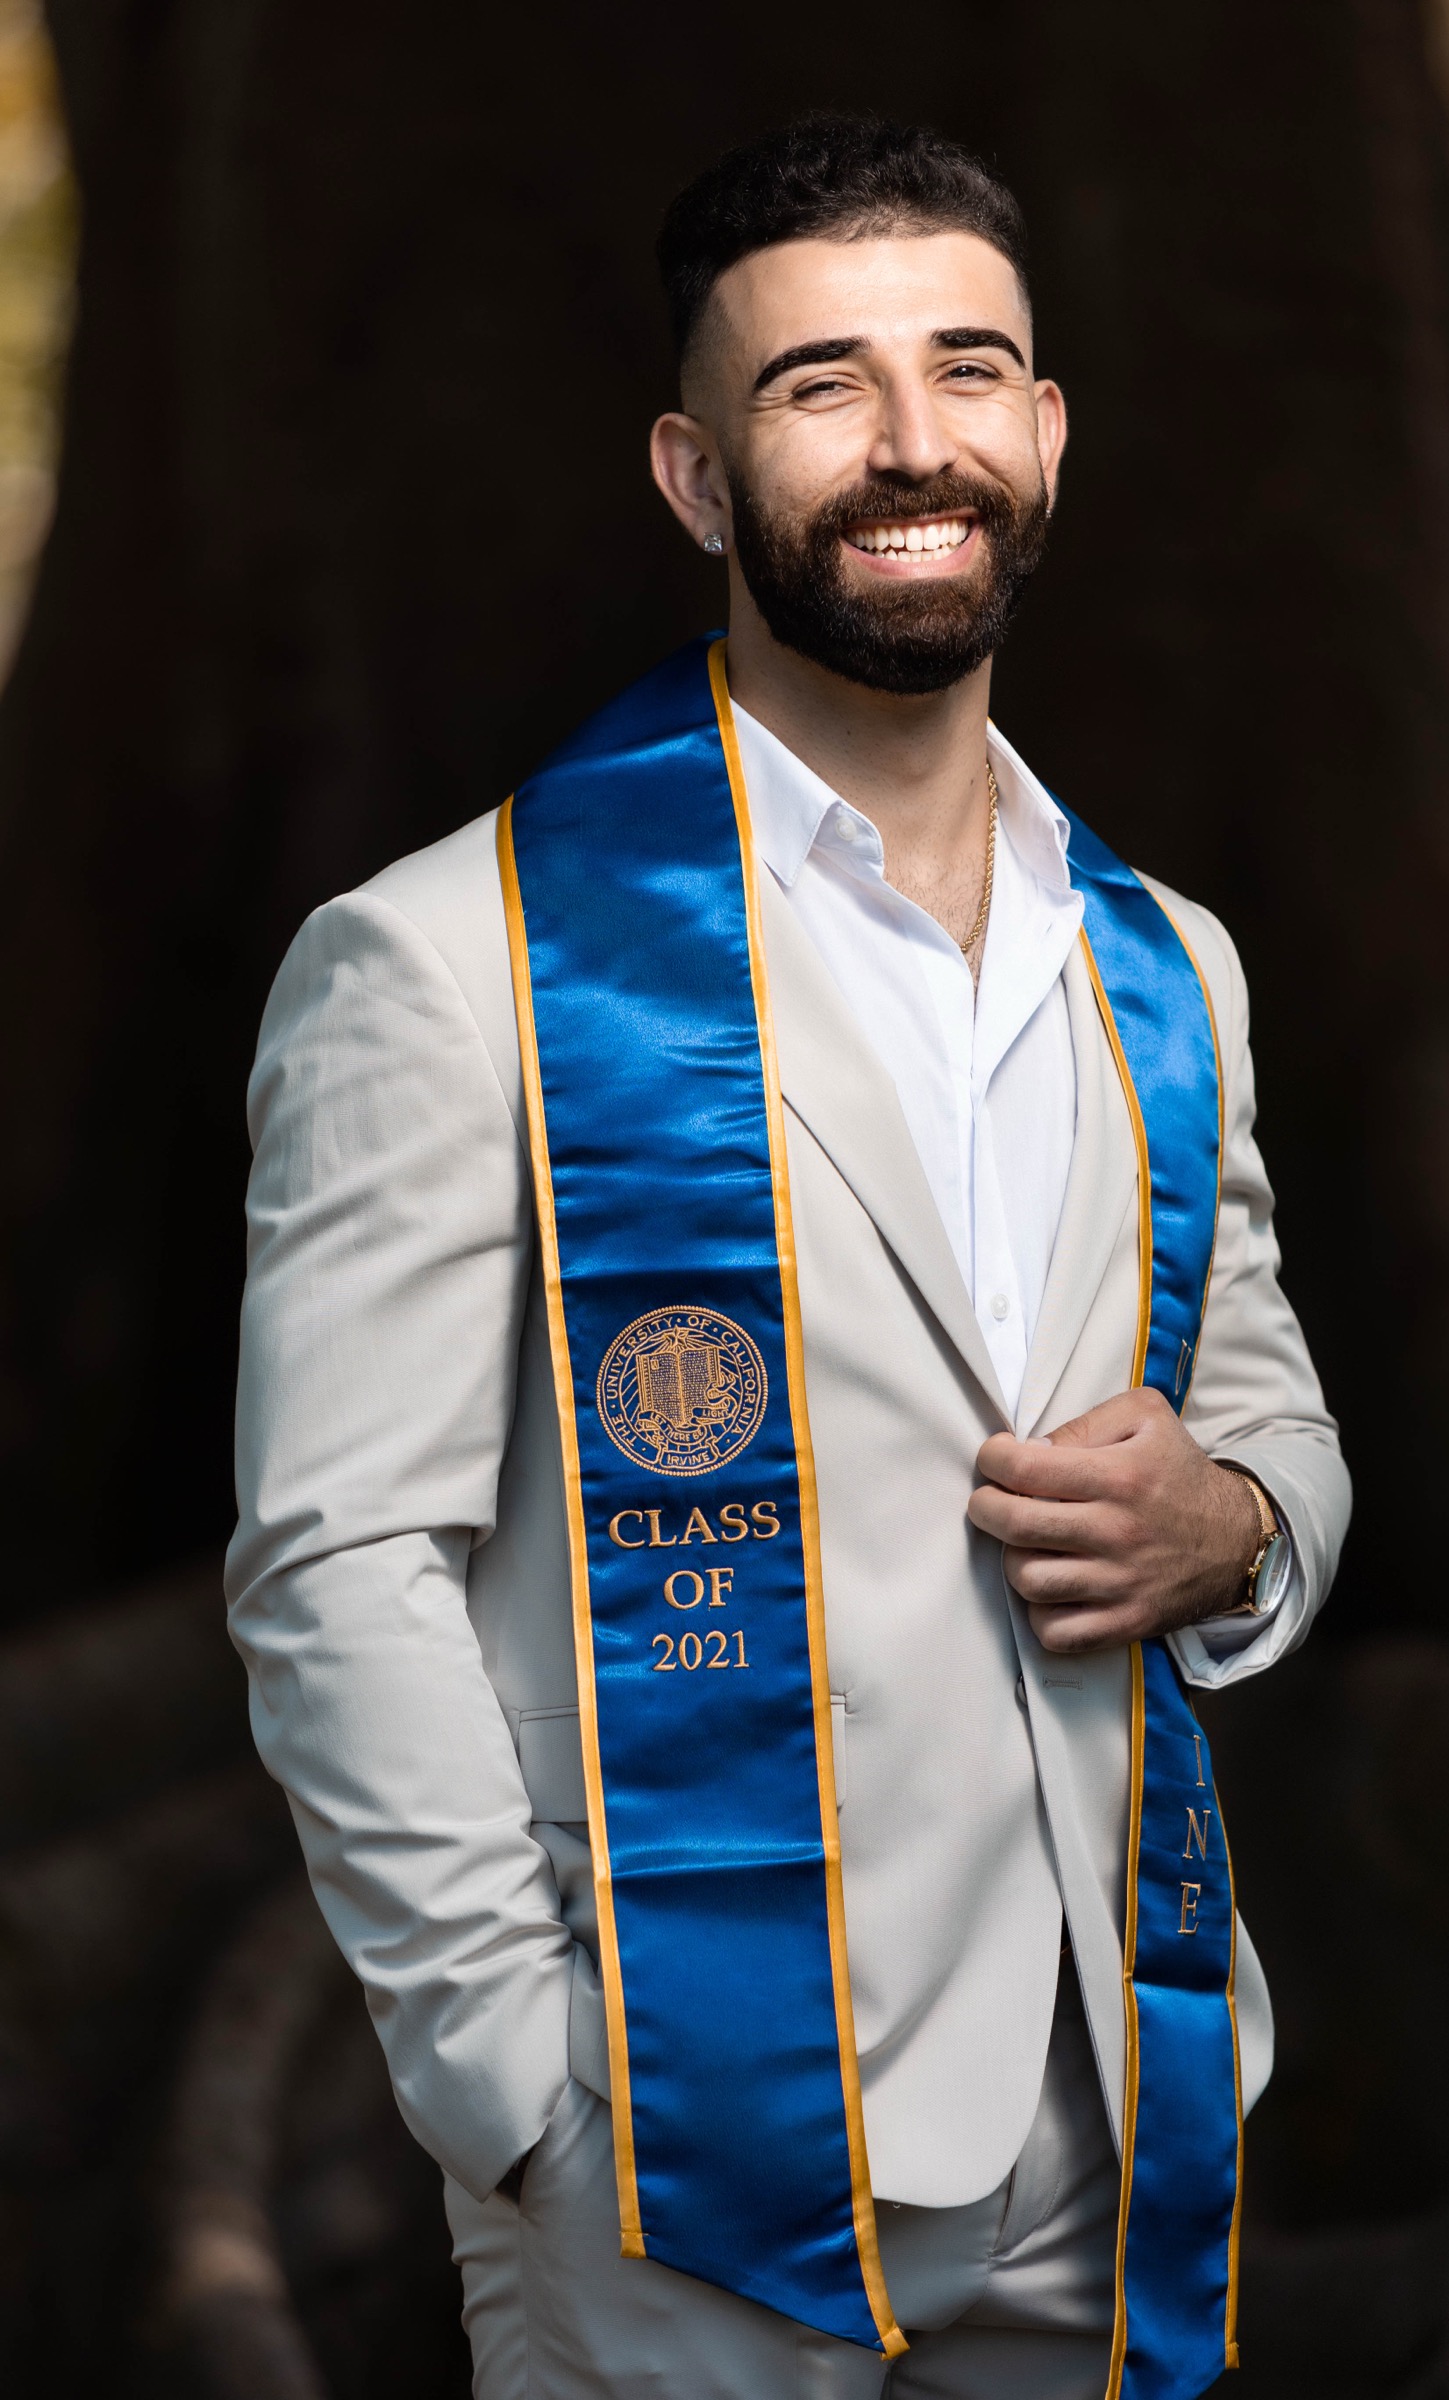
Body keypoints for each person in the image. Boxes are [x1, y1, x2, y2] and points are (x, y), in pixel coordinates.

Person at [226, 114, 1349, 2400]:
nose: (910, 442)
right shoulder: (449, 962)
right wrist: (509, 2087)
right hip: (661, 2151)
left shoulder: (1162, 966)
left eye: (966, 370)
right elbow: (338, 1558)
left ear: (1042, 432)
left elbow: (1273, 1429)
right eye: (819, 385)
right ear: (693, 475)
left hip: (1111, 2099)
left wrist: (1224, 1523)